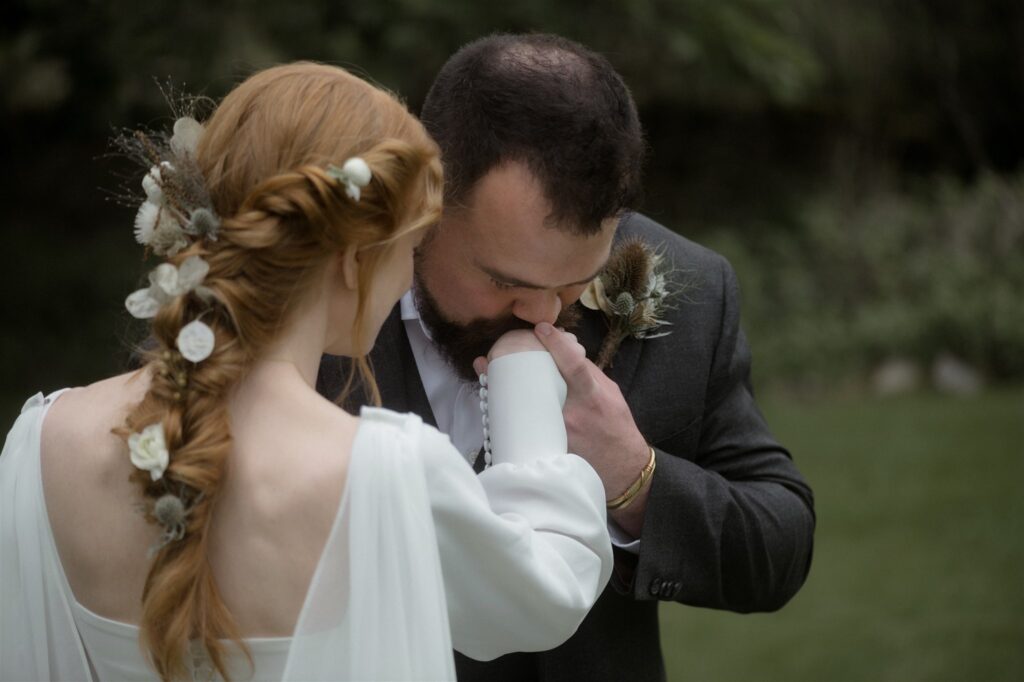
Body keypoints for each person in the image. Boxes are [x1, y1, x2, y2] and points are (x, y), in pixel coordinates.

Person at [0, 62, 614, 681]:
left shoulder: (41, 441)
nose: (406, 278)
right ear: (352, 260)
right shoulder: (382, 475)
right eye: (409, 247)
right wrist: (525, 384)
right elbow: (544, 594)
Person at [318, 33, 817, 681]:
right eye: (506, 282)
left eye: (573, 283)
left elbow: (779, 547)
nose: (543, 315)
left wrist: (635, 479)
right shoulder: (312, 283)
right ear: (427, 198)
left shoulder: (692, 291)